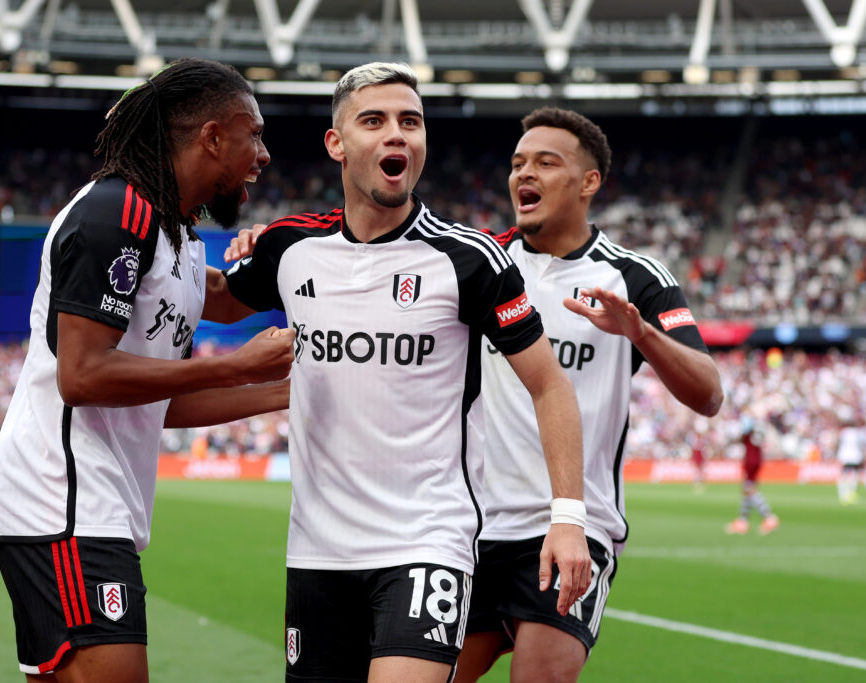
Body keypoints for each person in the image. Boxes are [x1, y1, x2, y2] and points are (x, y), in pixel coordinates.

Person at [211, 63, 591, 683]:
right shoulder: (288, 247)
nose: (397, 135)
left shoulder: (470, 261)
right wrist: (148, 238)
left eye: (410, 122)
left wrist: (568, 520)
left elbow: (550, 385)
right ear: (337, 144)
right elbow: (212, 296)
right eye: (374, 120)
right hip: (316, 550)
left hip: (425, 543)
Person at [0, 58, 295, 683]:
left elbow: (161, 402)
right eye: (252, 134)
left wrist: (280, 393)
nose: (262, 154)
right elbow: (83, 375)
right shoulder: (117, 212)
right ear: (211, 137)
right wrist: (233, 364)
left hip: (88, 508)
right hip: (62, 499)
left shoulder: (178, 237)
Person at [454, 108, 724, 683]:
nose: (524, 174)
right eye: (518, 163)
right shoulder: (479, 263)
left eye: (546, 163)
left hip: (574, 528)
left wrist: (641, 334)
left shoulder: (634, 277)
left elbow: (708, 394)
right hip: (470, 528)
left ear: (588, 182)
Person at [725, 416, 780, 534]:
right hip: (757, 459)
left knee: (750, 490)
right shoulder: (757, 430)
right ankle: (743, 521)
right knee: (747, 491)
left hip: (750, 460)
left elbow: (740, 438)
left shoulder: (749, 431)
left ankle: (769, 517)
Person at [836, 416, 866, 504]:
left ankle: (844, 494)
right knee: (864, 475)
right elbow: (862, 446)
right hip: (856, 457)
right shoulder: (858, 433)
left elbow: (838, 443)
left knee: (845, 476)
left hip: (845, 457)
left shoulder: (843, 432)